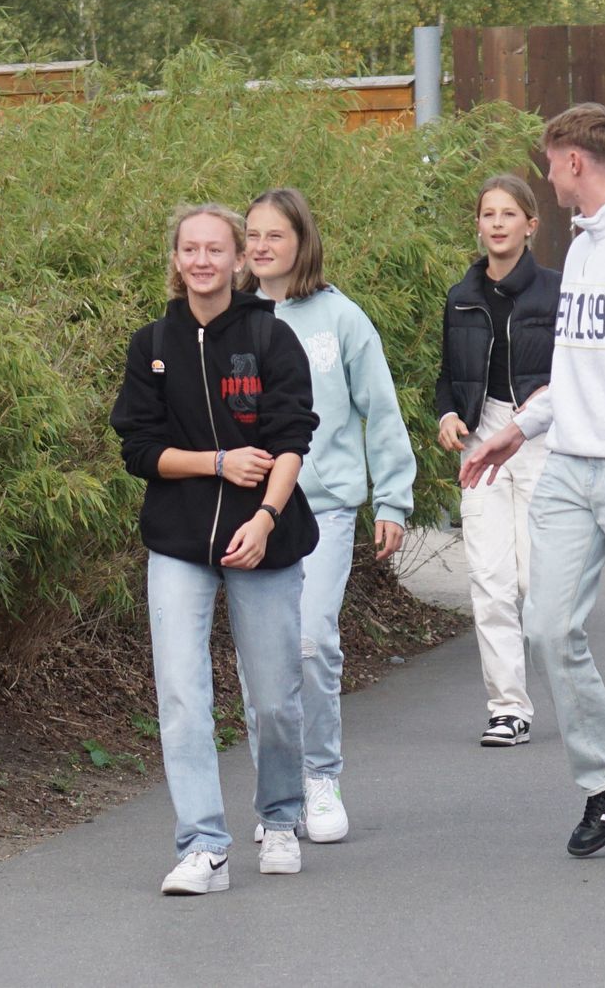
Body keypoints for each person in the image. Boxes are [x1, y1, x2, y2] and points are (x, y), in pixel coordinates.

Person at [462, 102, 605, 868]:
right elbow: (576, 369)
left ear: (572, 162)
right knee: (547, 625)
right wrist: (519, 428)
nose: (548, 175)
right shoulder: (584, 245)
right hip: (565, 463)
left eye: (549, 162)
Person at [110, 204, 321, 895]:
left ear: (237, 260)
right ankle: (203, 845)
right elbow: (139, 449)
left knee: (276, 699)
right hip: (179, 540)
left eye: (215, 249)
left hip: (264, 538)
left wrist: (264, 519)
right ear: (176, 259)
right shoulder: (151, 344)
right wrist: (217, 462)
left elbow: (291, 440)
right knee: (181, 694)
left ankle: (281, 818)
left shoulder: (270, 336)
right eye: (190, 249)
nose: (202, 260)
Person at [239, 187, 416, 844]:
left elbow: (380, 408)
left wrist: (393, 498)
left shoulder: (340, 317)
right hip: (247, 508)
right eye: (252, 234)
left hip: (324, 506)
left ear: (302, 241)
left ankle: (319, 776)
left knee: (310, 641)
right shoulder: (230, 318)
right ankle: (275, 795)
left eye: (275, 235)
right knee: (261, 658)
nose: (261, 246)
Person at [436, 174, 561, 747]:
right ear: (478, 225)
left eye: (509, 214)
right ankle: (507, 707)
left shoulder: (556, 291)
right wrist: (448, 415)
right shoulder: (461, 296)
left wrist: (544, 405)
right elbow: (448, 376)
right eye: (489, 214)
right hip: (481, 436)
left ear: (530, 224)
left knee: (537, 581)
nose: (498, 223)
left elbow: (575, 368)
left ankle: (569, 690)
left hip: (539, 432)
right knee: (489, 579)